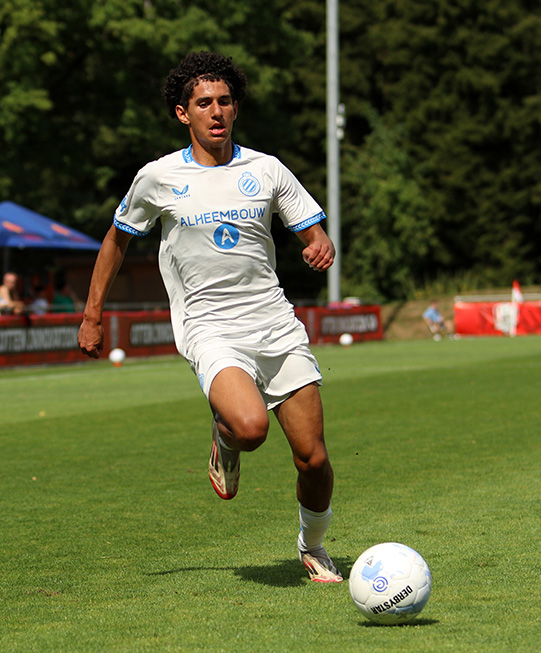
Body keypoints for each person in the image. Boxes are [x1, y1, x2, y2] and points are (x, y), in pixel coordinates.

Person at [77, 52, 341, 583]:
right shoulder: (158, 177)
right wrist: (92, 315)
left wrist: (320, 246)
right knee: (251, 428)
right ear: (183, 114)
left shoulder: (266, 169)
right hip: (210, 328)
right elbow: (116, 240)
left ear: (236, 108)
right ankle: (225, 435)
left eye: (224, 101)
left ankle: (312, 546)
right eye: (203, 103)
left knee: (313, 460)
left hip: (275, 323)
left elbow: (314, 234)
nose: (215, 112)